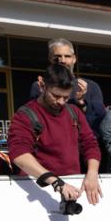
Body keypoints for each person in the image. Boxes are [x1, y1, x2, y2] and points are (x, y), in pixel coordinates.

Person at [8, 63, 102, 205]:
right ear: (42, 86)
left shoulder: (74, 112)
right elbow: (19, 154)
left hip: (73, 188)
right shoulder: (25, 115)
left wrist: (92, 173)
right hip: (38, 190)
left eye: (66, 97)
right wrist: (56, 182)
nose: (61, 102)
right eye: (56, 96)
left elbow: (90, 144)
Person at [28, 38, 106, 140]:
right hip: (52, 144)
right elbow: (36, 120)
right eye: (58, 56)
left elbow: (99, 124)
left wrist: (82, 104)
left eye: (67, 56)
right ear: (50, 58)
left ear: (74, 59)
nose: (63, 61)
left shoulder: (91, 87)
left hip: (83, 145)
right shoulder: (40, 86)